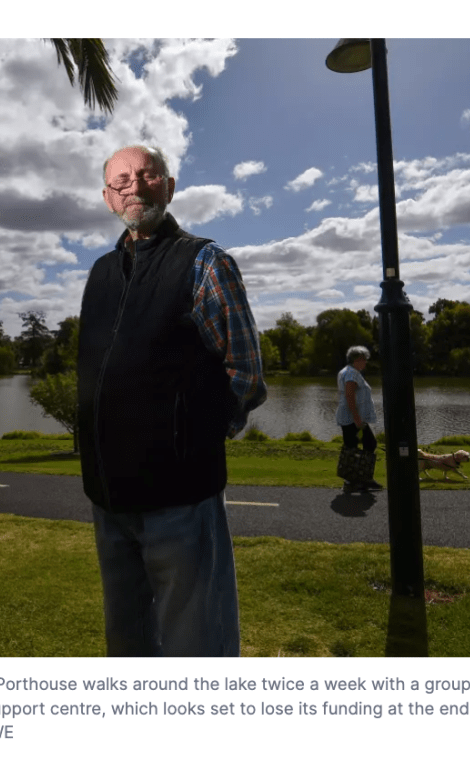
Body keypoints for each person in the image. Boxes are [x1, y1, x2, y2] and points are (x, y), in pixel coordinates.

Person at [77, 145, 267, 657]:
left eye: (147, 175)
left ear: (169, 186)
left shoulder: (205, 262)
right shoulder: (99, 274)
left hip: (181, 501)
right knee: (128, 645)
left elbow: (246, 374)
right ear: (107, 197)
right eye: (121, 180)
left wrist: (191, 440)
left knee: (197, 645)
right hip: (108, 501)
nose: (134, 187)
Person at [336, 345, 382, 491]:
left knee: (354, 447)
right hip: (352, 419)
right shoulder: (351, 373)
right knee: (368, 444)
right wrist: (357, 419)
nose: (365, 362)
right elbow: (349, 396)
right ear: (356, 359)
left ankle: (356, 480)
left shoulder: (348, 371)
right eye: (363, 359)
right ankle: (359, 480)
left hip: (350, 417)